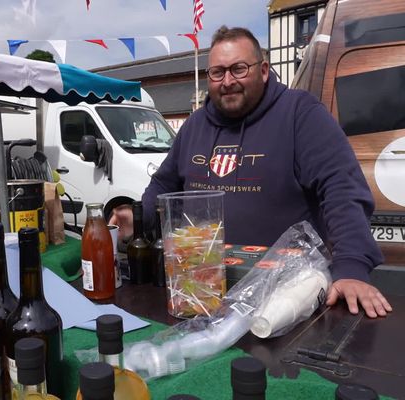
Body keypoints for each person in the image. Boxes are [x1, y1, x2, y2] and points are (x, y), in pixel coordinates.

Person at [135, 26, 392, 319]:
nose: (228, 81)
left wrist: (352, 266)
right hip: (202, 290)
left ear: (264, 70)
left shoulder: (300, 113)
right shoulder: (194, 126)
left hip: (285, 295)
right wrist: (137, 218)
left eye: (239, 69)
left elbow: (341, 189)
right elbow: (163, 185)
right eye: (218, 72)